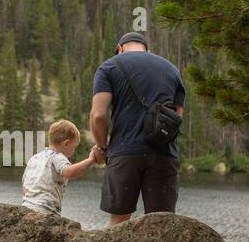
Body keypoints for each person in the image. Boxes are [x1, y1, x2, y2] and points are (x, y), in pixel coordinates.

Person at [89, 32, 186, 226]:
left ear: (120, 48)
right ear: (147, 49)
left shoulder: (109, 66)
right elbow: (177, 116)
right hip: (164, 154)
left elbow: (98, 115)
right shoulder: (172, 70)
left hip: (124, 153)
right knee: (162, 224)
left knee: (118, 223)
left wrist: (102, 146)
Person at [21, 119, 100, 216]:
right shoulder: (57, 156)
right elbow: (69, 173)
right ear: (66, 144)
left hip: (26, 208)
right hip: (45, 210)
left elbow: (24, 188)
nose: (73, 151)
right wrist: (91, 160)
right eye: (74, 146)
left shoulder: (34, 158)